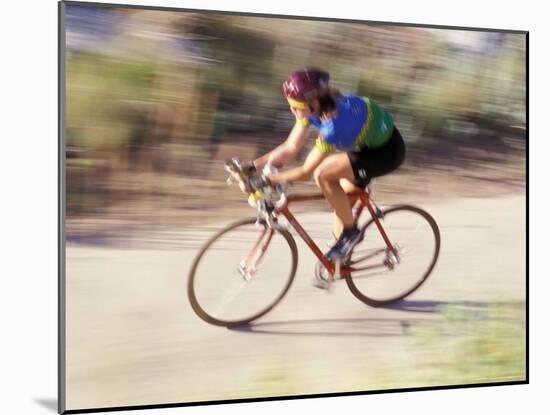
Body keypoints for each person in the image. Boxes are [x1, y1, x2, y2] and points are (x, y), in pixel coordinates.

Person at [248, 68, 406, 262]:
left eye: (296, 106)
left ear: (314, 103)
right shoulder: (314, 108)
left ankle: (351, 234)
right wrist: (252, 167)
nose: (292, 111)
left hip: (385, 153)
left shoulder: (334, 126)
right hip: (365, 144)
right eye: (290, 105)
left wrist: (269, 179)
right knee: (342, 206)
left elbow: (306, 171)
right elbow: (290, 146)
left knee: (323, 174)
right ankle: (341, 262)